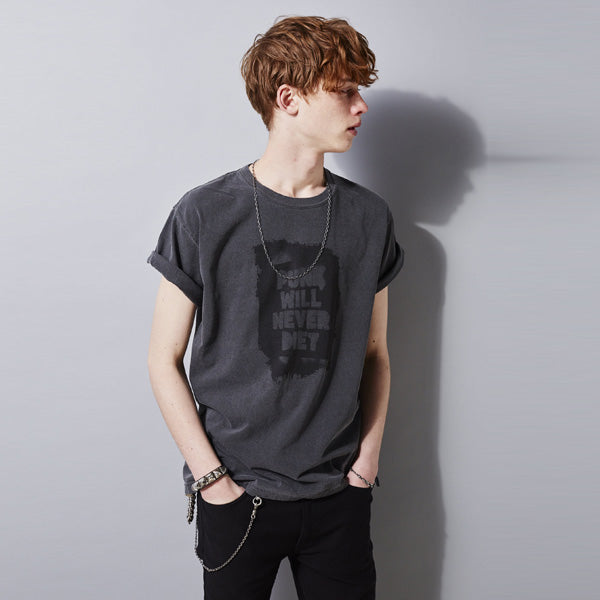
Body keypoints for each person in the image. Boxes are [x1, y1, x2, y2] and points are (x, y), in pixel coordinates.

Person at [146, 15, 405, 600]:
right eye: (345, 90)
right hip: (236, 493)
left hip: (338, 496)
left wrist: (364, 466)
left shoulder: (369, 218)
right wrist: (214, 482)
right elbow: (163, 359)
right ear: (289, 99)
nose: (361, 106)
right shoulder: (204, 213)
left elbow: (376, 354)